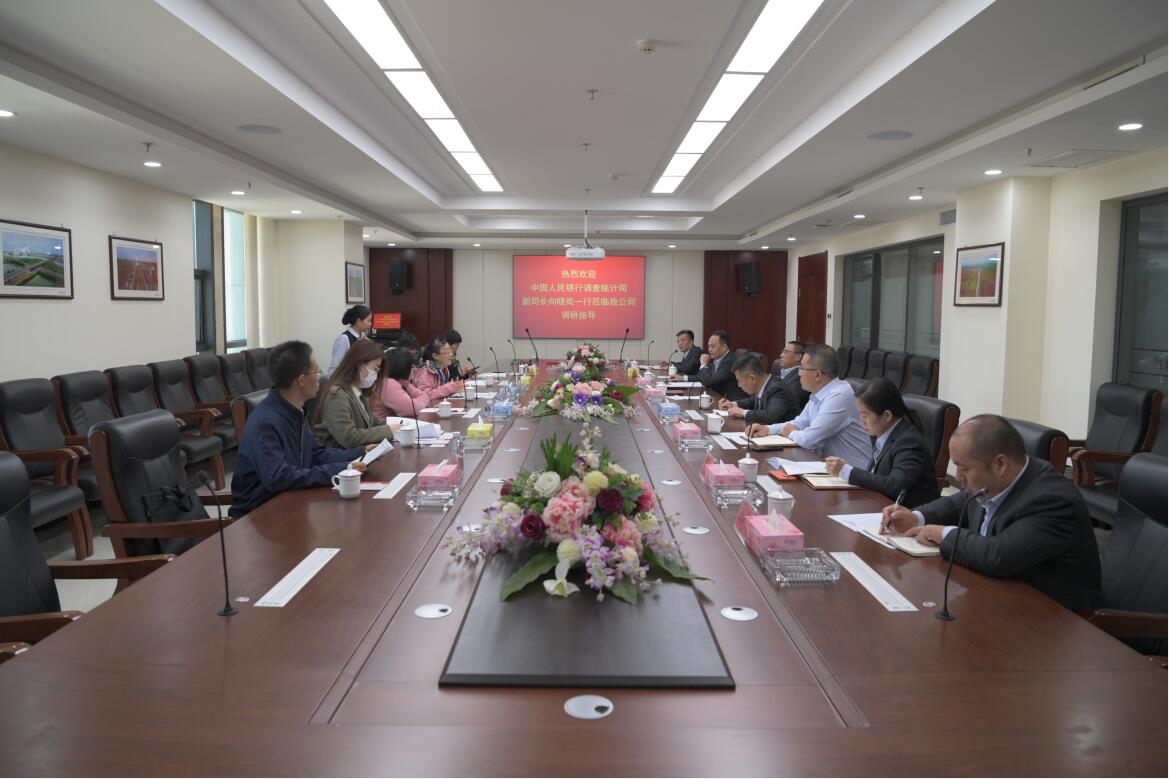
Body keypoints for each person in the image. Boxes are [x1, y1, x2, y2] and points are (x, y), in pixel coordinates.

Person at [882, 414, 1101, 611]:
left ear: (1000, 464)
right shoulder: (995, 482)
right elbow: (958, 503)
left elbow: (998, 555)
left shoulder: (1052, 500)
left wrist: (943, 534)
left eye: (964, 468)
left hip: (1053, 619)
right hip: (998, 595)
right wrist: (916, 517)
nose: (956, 476)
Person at [230, 340, 371, 517]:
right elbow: (279, 478)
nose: (319, 377)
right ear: (302, 380)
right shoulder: (264, 422)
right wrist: (341, 469)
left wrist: (360, 453)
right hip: (259, 515)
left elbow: (315, 454)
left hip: (291, 503)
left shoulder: (294, 411)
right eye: (317, 371)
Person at [823, 377, 940, 507]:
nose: (861, 421)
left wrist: (847, 471)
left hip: (908, 513)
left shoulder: (909, 442)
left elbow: (895, 486)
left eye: (865, 415)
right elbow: (875, 475)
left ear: (887, 416)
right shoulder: (882, 432)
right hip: (879, 504)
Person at [748, 343, 871, 466]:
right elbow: (800, 423)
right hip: (825, 466)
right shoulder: (818, 393)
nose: (799, 373)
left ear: (817, 374)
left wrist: (791, 433)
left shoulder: (839, 396)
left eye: (802, 368)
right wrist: (768, 429)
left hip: (850, 473)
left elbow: (810, 440)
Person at [312, 339, 399, 449]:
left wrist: (400, 424)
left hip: (357, 453)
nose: (376, 375)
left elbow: (371, 421)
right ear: (359, 365)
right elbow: (349, 437)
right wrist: (388, 430)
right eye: (375, 369)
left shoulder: (358, 392)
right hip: (339, 455)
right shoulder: (336, 396)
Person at [719, 352, 797, 425]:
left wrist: (743, 413)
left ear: (752, 379)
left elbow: (771, 415)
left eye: (740, 381)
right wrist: (733, 404)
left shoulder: (777, 389)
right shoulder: (764, 383)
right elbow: (752, 401)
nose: (739, 385)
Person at [676, 330, 746, 401]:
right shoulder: (718, 359)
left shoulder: (729, 361)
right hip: (719, 398)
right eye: (709, 346)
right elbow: (703, 377)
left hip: (732, 401)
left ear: (724, 347)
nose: (709, 350)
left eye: (713, 347)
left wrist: (703, 364)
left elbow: (709, 381)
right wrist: (683, 378)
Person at [372, 347, 436, 418]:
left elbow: (424, 395)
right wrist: (416, 404)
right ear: (402, 368)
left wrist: (415, 403)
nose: (415, 369)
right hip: (384, 424)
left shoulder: (403, 382)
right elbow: (413, 409)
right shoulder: (388, 384)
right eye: (411, 366)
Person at [327, 304, 372, 375]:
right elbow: (335, 367)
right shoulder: (344, 339)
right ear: (359, 321)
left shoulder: (365, 339)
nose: (370, 324)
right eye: (368, 321)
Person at [776, 340, 810, 412]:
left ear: (797, 357)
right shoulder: (782, 374)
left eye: (785, 352)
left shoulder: (800, 378)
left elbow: (785, 405)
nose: (781, 355)